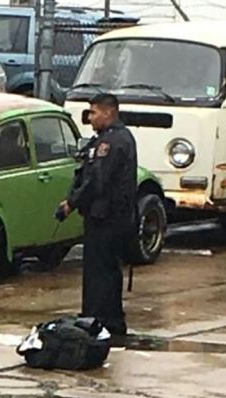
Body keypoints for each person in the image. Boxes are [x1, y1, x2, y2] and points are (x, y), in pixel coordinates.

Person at [58, 92, 137, 339]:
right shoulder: (108, 139)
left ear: (108, 112)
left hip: (107, 218)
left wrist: (71, 203)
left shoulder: (112, 143)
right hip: (106, 217)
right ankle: (104, 320)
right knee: (104, 271)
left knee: (100, 273)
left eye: (93, 112)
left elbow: (97, 181)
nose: (89, 118)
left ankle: (99, 321)